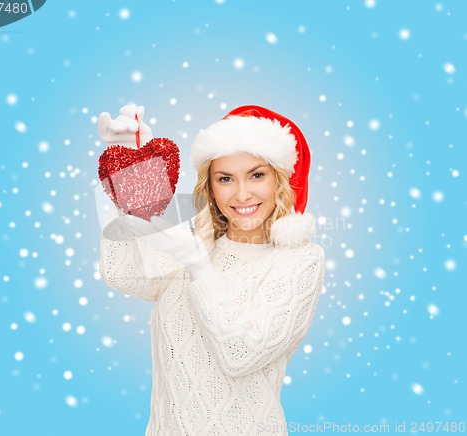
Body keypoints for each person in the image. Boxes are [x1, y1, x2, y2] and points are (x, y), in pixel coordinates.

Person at [98, 104, 325, 435]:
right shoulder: (193, 242)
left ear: (281, 180)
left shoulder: (299, 260)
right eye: (226, 179)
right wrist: (129, 168)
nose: (242, 193)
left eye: (257, 175)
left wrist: (198, 266)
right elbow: (121, 272)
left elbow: (239, 354)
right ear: (210, 186)